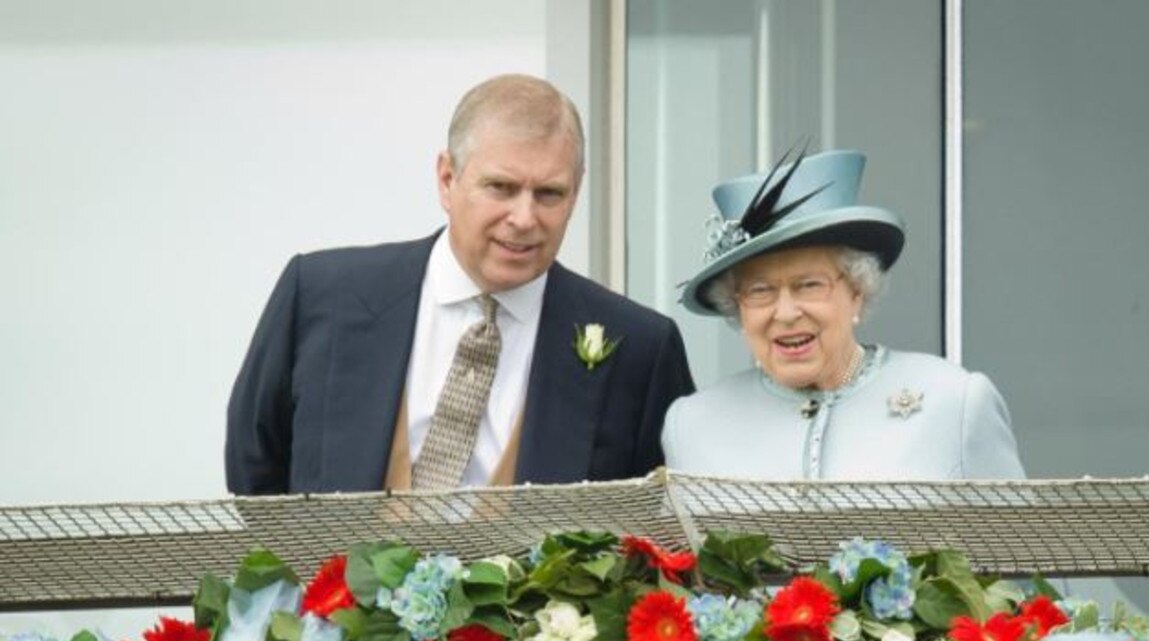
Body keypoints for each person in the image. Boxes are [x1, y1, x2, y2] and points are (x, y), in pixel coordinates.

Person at [226, 74, 694, 495]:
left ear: (576, 192)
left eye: (549, 193)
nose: (525, 218)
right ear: (447, 179)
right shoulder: (320, 295)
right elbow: (255, 468)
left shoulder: (642, 349)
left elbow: (656, 522)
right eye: (501, 188)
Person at [662, 149, 1023, 480]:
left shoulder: (955, 403)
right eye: (760, 291)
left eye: (809, 285)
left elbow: (1016, 548)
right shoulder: (692, 425)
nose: (785, 313)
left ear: (856, 290)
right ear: (736, 307)